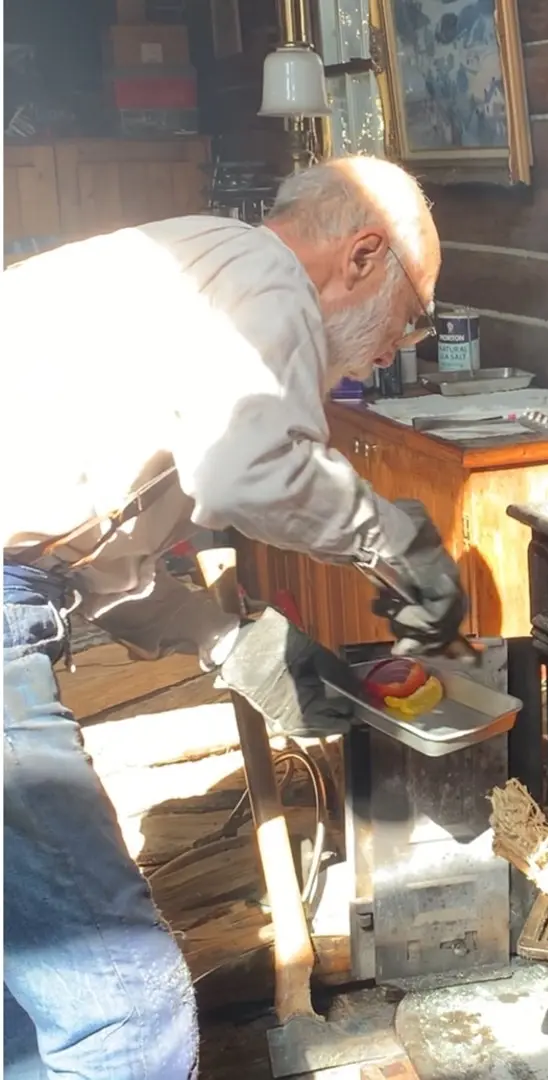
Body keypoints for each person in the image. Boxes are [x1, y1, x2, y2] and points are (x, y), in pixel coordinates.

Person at [2, 154, 466, 1079]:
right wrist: (395, 539)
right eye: (409, 318)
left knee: (26, 1001)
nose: (395, 349)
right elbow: (246, 470)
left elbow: (90, 569)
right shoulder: (266, 276)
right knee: (127, 1018)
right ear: (362, 255)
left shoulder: (191, 289)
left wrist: (231, 640)